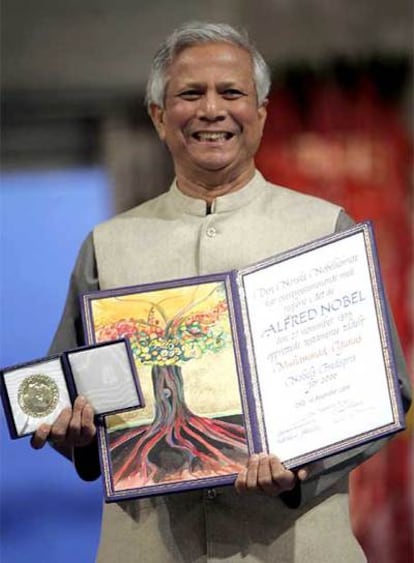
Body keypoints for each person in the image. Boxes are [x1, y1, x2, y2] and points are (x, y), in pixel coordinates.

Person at [31, 22, 411, 563]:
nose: (212, 110)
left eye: (232, 93)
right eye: (190, 93)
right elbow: (72, 397)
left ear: (260, 113)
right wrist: (76, 436)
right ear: (160, 117)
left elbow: (387, 388)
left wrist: (303, 470)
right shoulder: (107, 246)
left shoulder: (326, 228)